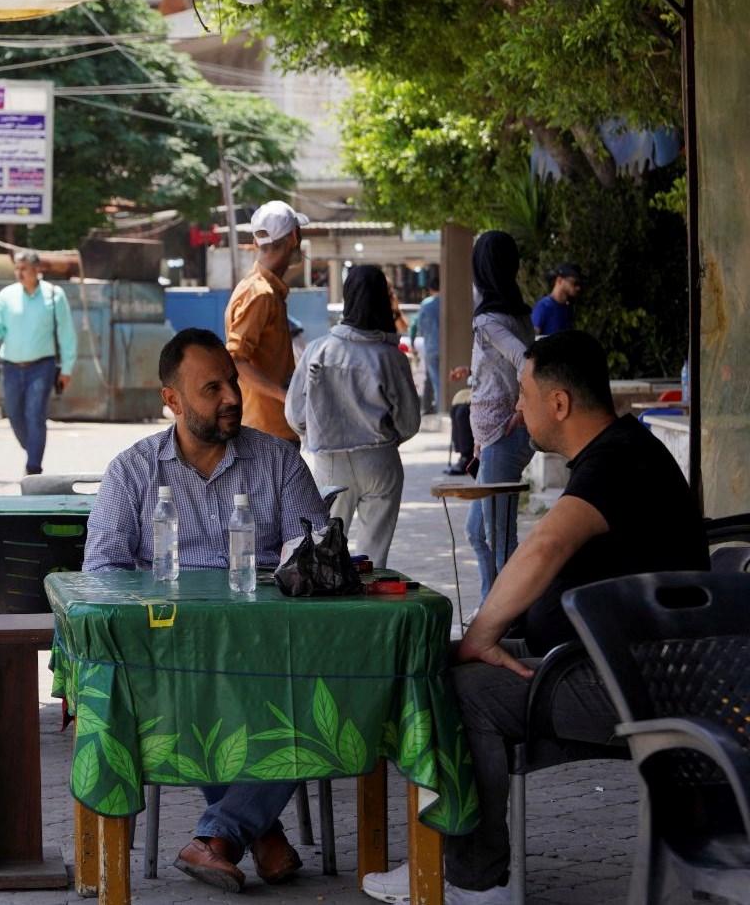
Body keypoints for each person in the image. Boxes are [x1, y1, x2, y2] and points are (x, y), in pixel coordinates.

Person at [360, 330, 708, 905]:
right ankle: (446, 860)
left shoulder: (619, 460)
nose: (516, 407)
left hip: (634, 681)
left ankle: (475, 880)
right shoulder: (620, 451)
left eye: (523, 393)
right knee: (431, 668)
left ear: (560, 403)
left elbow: (544, 546)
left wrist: (480, 637)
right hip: (594, 660)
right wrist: (488, 639)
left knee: (463, 690)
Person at [85, 328, 326, 891]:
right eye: (211, 388)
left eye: (232, 383)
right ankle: (258, 834)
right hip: (172, 652)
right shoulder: (134, 470)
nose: (231, 399)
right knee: (199, 687)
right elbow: (101, 572)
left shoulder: (278, 462)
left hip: (268, 648)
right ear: (170, 399)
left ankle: (218, 837)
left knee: (325, 688)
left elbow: (316, 554)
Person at [286, 265, 421, 568]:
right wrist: (389, 439)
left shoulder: (317, 351)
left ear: (347, 297)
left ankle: (336, 612)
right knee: (374, 558)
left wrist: (315, 432)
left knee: (327, 555)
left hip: (329, 463)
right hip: (380, 460)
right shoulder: (392, 356)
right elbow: (410, 422)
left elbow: (294, 414)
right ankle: (371, 609)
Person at [454, 231, 537, 602]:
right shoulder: (515, 314)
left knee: (500, 537)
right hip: (492, 438)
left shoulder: (489, 320)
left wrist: (522, 406)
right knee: (478, 531)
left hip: (505, 435)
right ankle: (491, 604)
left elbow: (526, 361)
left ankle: (508, 618)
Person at [0, 249, 77, 476]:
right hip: (11, 367)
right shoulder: (6, 296)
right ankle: (33, 448)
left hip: (41, 366)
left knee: (35, 414)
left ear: (37, 270)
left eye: (24, 268)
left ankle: (34, 466)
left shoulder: (54, 296)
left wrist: (67, 369)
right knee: (14, 415)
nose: (19, 273)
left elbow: (66, 334)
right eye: (17, 268)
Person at [227, 200, 308, 444]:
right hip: (267, 433)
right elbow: (235, 360)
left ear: (255, 243)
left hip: (268, 431)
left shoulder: (260, 290)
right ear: (295, 236)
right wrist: (286, 397)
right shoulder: (260, 294)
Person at [413, 266, 442, 414]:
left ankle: (440, 410)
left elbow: (420, 328)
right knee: (441, 380)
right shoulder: (447, 302)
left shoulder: (426, 305)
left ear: (431, 289)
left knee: (436, 380)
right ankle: (434, 407)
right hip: (447, 347)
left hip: (431, 346)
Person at [530, 262, 582, 336]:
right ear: (559, 281)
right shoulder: (544, 307)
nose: (578, 288)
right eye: (574, 283)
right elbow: (532, 339)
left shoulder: (569, 309)